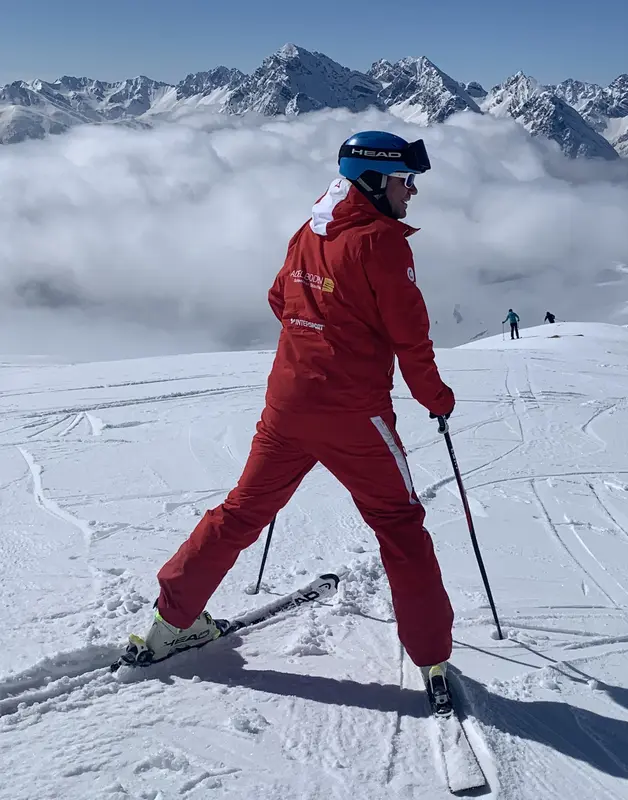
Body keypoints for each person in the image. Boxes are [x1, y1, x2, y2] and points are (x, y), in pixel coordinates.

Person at [136, 131, 456, 682]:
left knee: (241, 511)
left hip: (286, 406)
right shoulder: (381, 241)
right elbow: (411, 336)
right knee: (400, 525)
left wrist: (317, 328)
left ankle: (171, 621)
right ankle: (431, 658)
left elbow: (280, 298)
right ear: (375, 180)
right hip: (355, 415)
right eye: (406, 181)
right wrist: (437, 398)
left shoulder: (312, 225)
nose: (412, 193)